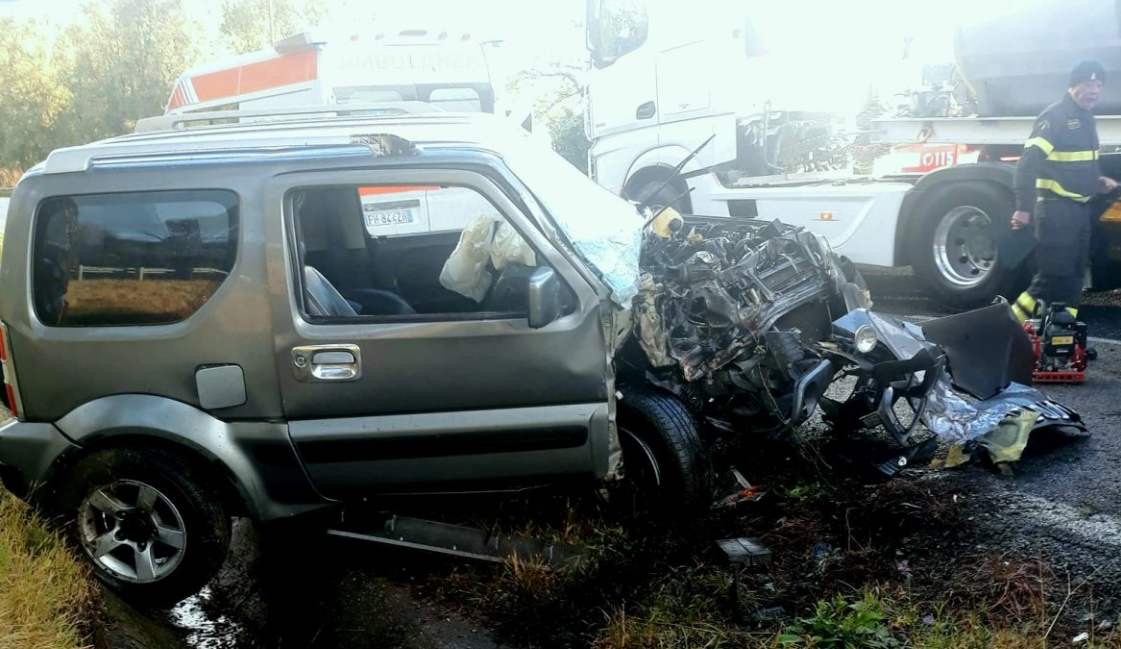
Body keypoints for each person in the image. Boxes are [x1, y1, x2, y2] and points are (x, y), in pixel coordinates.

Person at [1011, 60, 1118, 322]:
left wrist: (1097, 180)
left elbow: (1081, 162)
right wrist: (1023, 207)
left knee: (1075, 275)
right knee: (1051, 277)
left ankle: (1064, 332)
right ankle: (1009, 325)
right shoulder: (1055, 117)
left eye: (1099, 85)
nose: (1094, 90)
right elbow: (1027, 163)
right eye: (1088, 84)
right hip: (1056, 211)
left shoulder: (1086, 118)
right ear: (1074, 86)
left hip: (1080, 211)